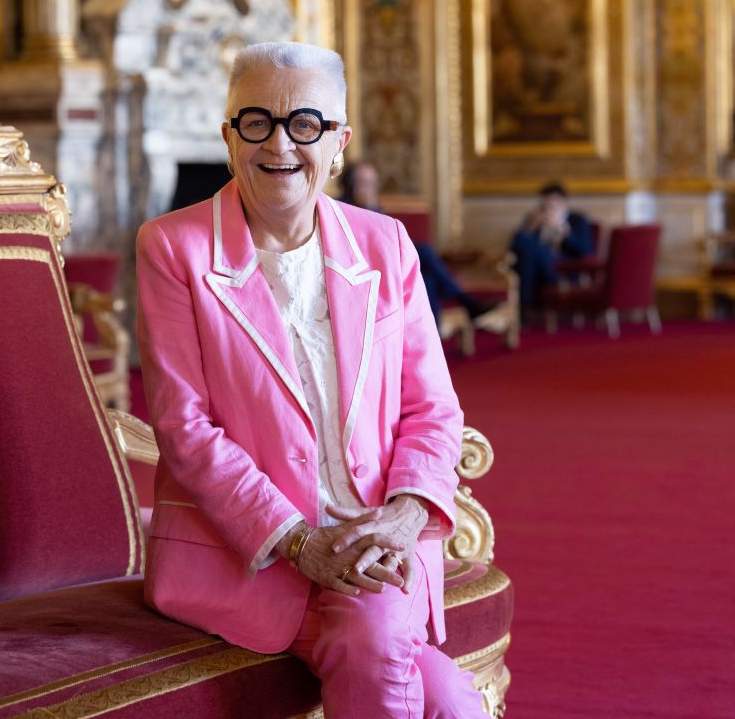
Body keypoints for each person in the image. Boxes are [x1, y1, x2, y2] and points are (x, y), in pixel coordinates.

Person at [135, 41, 490, 718]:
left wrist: (403, 516)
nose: (279, 145)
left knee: (380, 637)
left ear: (339, 142)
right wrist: (299, 541)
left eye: (305, 124)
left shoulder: (385, 245)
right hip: (248, 551)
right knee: (429, 685)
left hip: (375, 542)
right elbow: (184, 426)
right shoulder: (172, 246)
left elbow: (432, 409)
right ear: (227, 135)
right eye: (256, 122)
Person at [338, 160, 508, 333]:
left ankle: (430, 336)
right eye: (366, 184)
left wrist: (370, 208)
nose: (372, 190)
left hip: (389, 264)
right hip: (364, 270)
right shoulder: (338, 209)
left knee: (428, 280)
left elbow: (386, 239)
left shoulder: (374, 207)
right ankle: (464, 303)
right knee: (424, 252)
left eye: (374, 184)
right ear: (351, 186)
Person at [510, 180, 595, 311]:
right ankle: (525, 307)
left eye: (552, 205)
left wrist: (565, 235)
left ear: (563, 203)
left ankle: (523, 308)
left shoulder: (577, 220)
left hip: (563, 269)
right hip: (535, 267)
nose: (548, 209)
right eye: (545, 205)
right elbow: (514, 247)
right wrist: (532, 227)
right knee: (528, 249)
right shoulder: (533, 219)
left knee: (530, 251)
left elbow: (586, 250)